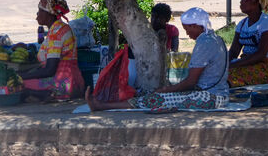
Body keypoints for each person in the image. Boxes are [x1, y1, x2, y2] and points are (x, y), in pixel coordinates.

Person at [86, 7, 229, 112]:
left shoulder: (205, 43)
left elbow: (191, 82)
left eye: (187, 29)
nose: (187, 33)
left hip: (211, 97)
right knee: (159, 96)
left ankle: (102, 106)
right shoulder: (215, 39)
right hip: (217, 93)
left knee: (156, 99)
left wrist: (167, 90)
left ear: (196, 26)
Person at [20, 0, 85, 101]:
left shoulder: (56, 32)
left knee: (18, 85)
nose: (37, 14)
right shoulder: (58, 28)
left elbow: (49, 70)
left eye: (40, 10)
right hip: (71, 80)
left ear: (49, 13)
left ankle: (43, 94)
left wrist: (22, 76)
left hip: (62, 83)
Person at [227, 0, 268, 88]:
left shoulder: (267, 22)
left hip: (265, 67)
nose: (241, 3)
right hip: (246, 63)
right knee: (218, 73)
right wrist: (224, 64)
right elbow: (234, 51)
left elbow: (261, 54)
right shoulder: (242, 24)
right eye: (241, 0)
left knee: (227, 75)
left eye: (245, 0)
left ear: (256, 2)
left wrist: (233, 65)